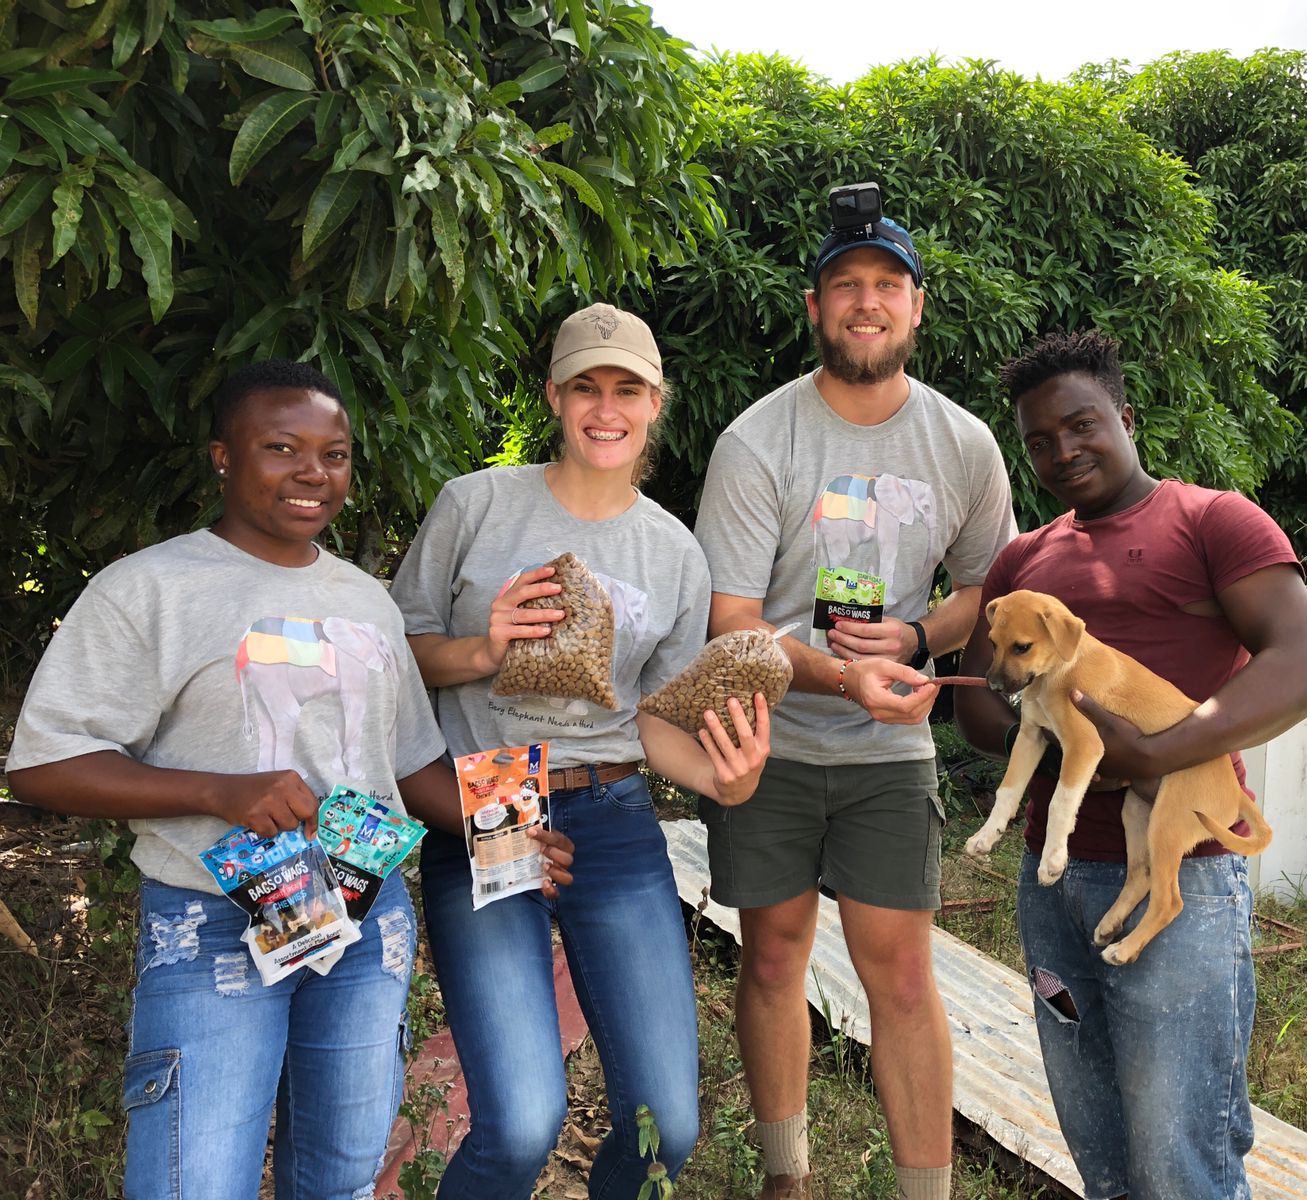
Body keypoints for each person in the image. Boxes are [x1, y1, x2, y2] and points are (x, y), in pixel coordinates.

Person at [6, 361, 575, 1200]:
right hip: (211, 922)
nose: (314, 472)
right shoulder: (149, 590)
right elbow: (42, 766)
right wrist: (215, 791)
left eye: (334, 454)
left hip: (363, 912)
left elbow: (407, 765)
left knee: (341, 1177)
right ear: (223, 458)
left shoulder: (368, 603)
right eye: (282, 448)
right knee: (194, 1182)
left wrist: (507, 826)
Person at [389, 303, 772, 1200]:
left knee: (666, 1128)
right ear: (556, 396)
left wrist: (727, 778)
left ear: (655, 402)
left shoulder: (674, 550)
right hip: (487, 798)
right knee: (522, 1124)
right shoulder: (476, 505)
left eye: (628, 389)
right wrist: (482, 653)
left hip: (612, 814)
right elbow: (397, 654)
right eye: (587, 387)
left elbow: (652, 722)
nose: (607, 408)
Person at [953, 329, 1307, 1200]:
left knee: (1180, 1160)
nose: (1062, 451)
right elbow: (987, 705)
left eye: (1081, 425)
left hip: (1185, 879)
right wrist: (950, 686)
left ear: (1125, 416)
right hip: (1053, 887)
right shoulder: (1024, 563)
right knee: (1100, 1147)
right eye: (1039, 441)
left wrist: (1153, 754)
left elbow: (1301, 667)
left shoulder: (1212, 522)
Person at [694, 195, 1018, 1200]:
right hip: (771, 743)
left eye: (886, 286)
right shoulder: (756, 442)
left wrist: (920, 637)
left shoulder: (963, 446)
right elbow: (731, 622)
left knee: (904, 977)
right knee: (774, 956)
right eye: (847, 286)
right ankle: (786, 1178)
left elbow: (988, 594)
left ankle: (926, 1194)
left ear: (917, 308)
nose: (866, 304)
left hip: (888, 754)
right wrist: (839, 675)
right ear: (814, 306)